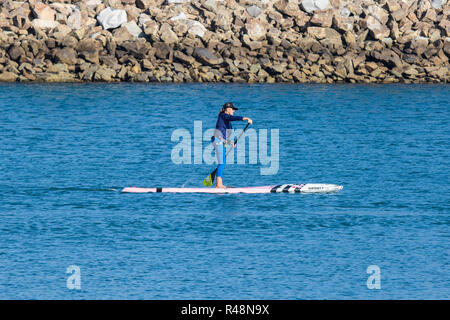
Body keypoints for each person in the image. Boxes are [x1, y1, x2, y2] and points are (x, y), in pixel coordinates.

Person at [212, 102, 252, 188]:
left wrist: (230, 142)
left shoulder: (227, 121)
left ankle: (219, 184)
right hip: (218, 140)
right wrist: (245, 118)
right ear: (228, 109)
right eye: (233, 110)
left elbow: (223, 134)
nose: (234, 111)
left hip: (220, 141)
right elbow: (232, 118)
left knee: (222, 162)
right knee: (221, 162)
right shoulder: (223, 115)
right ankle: (218, 185)